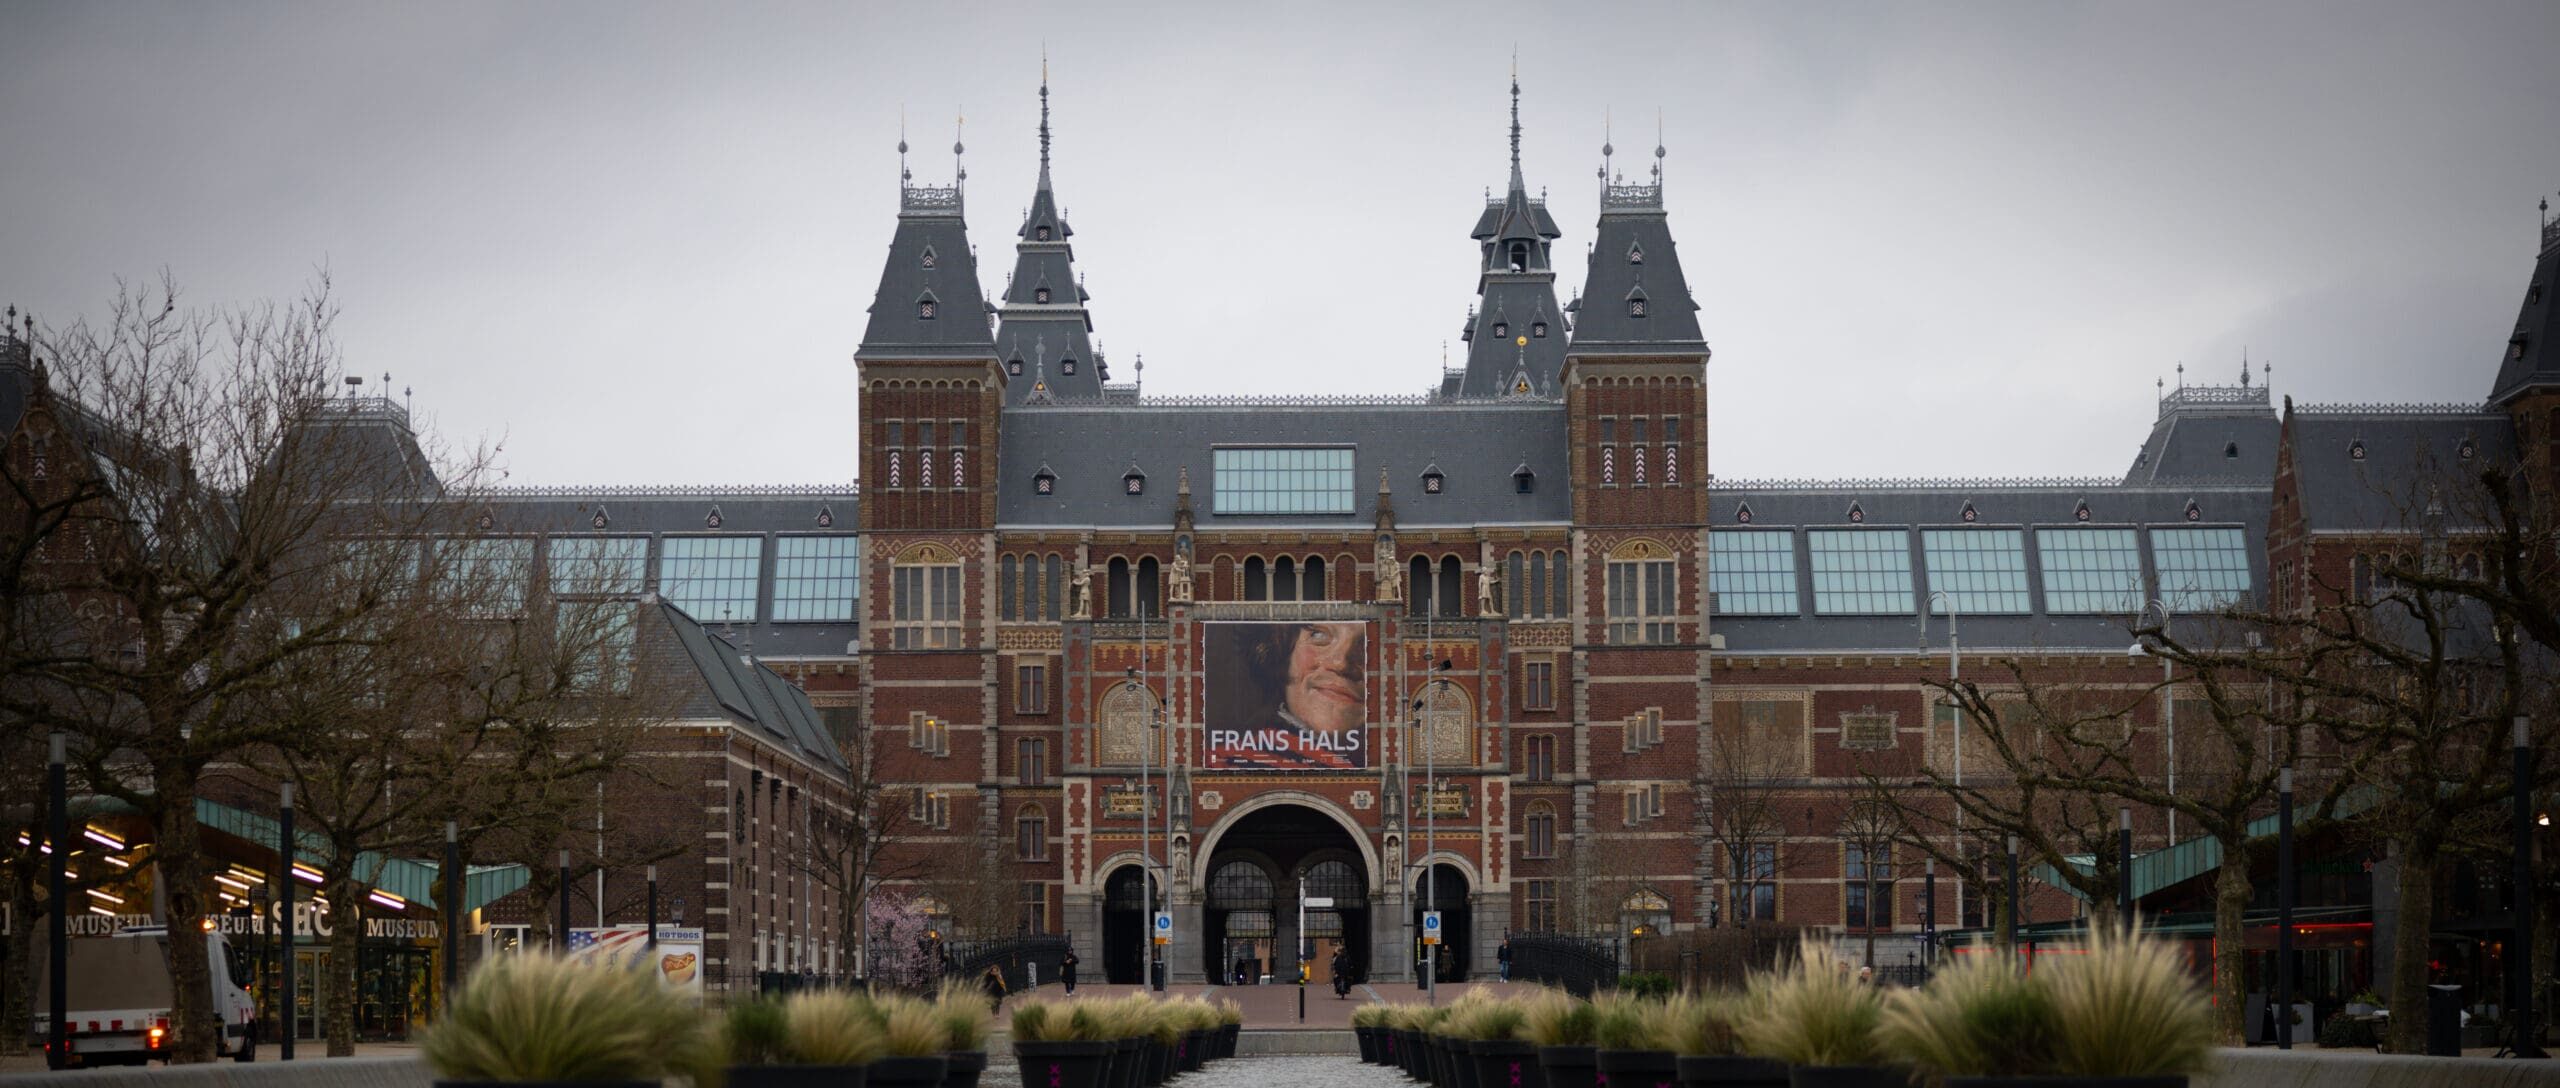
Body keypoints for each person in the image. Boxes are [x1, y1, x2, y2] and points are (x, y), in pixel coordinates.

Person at [1212, 623, 1368, 770]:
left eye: (1369, 645)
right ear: (1283, 649)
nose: (1340, 663)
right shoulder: (1223, 764)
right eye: (1319, 635)